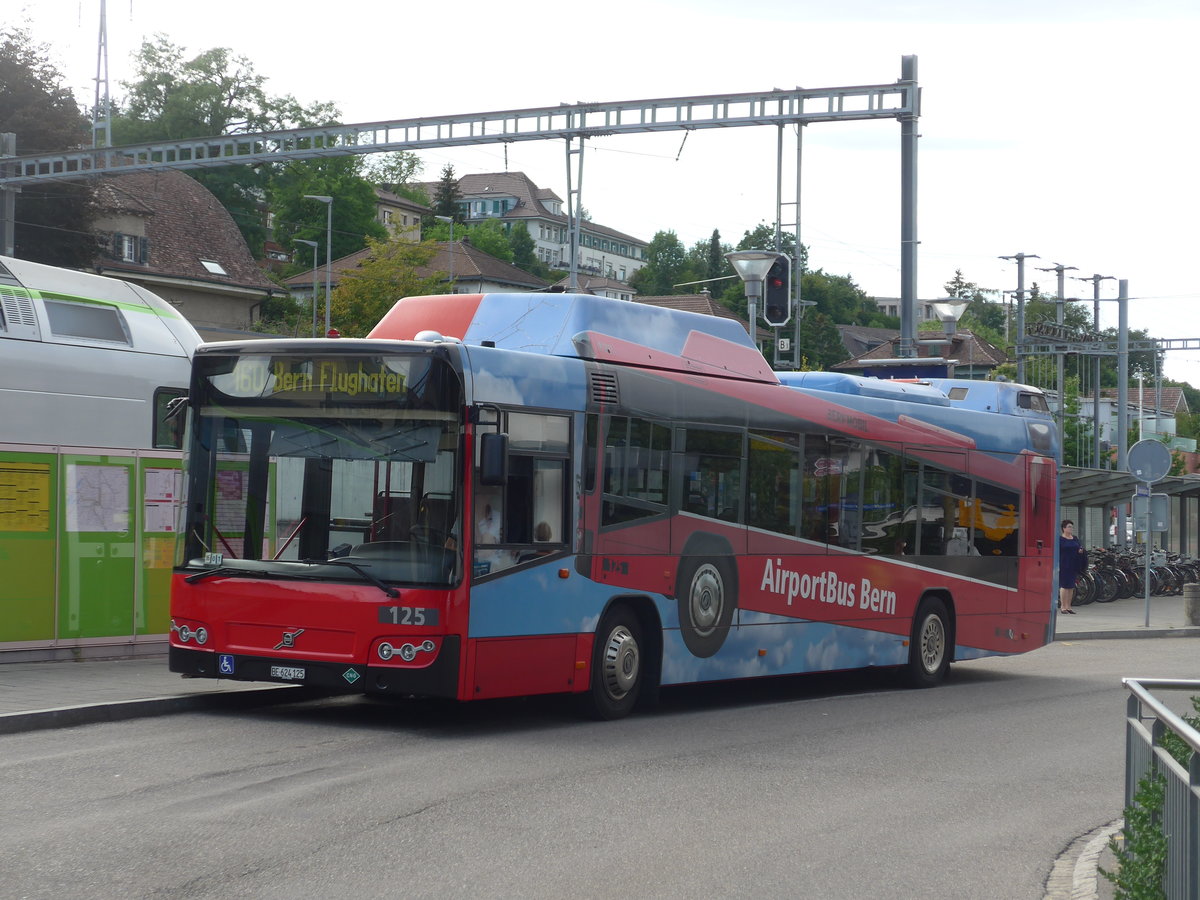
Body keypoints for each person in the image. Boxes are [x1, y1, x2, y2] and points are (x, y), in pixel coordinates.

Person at [1058, 519, 1086, 614]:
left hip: (1074, 564)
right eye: (1069, 527)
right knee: (1064, 585)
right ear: (1064, 528)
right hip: (1064, 563)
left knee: (1071, 586)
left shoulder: (1074, 538)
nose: (1071, 529)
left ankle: (1069, 606)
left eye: (1072, 527)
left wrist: (1080, 550)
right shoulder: (1060, 539)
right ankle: (1063, 606)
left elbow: (1079, 546)